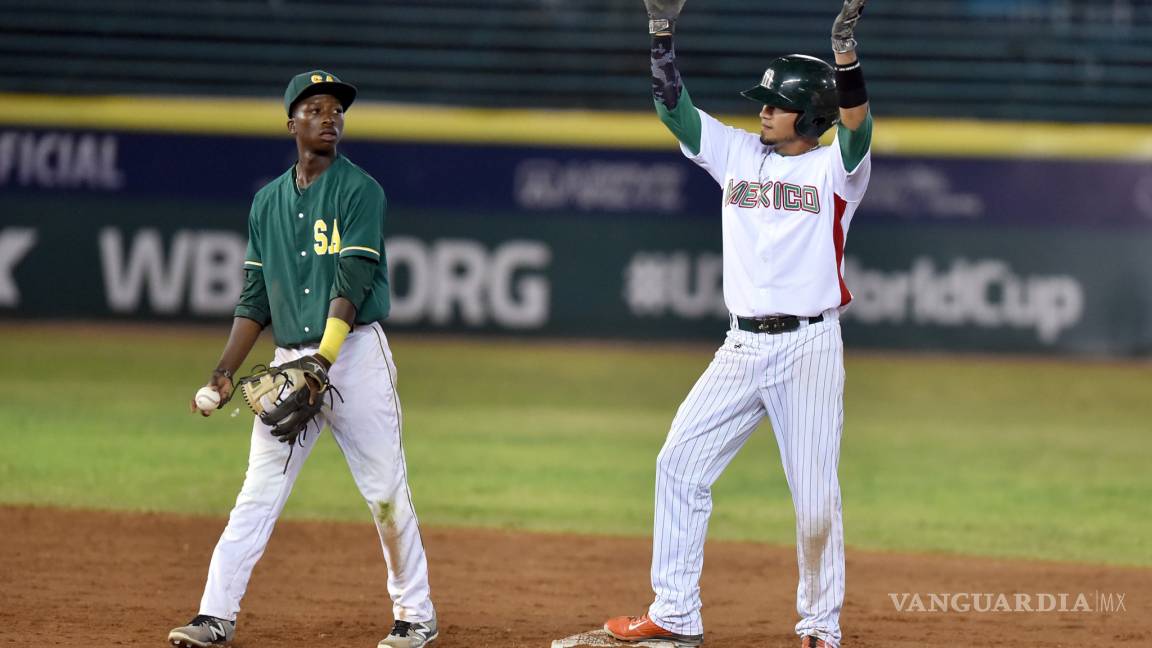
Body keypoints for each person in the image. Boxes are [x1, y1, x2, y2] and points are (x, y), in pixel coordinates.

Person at [604, 1, 872, 647]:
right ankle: (674, 614)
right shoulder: (735, 153)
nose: (762, 110)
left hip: (808, 344)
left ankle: (819, 630)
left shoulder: (836, 170)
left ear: (809, 114)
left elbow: (857, 129)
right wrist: (661, 35)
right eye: (763, 101)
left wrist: (846, 57)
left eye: (775, 104)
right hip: (740, 345)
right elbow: (674, 111)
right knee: (678, 464)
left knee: (814, 500)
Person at [167, 70, 438, 648]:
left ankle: (416, 615)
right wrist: (224, 370)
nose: (329, 116)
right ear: (291, 124)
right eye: (314, 108)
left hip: (355, 357)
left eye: (336, 108)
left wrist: (325, 360)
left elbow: (353, 279)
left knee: (385, 490)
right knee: (259, 490)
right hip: (291, 362)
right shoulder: (266, 202)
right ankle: (215, 613)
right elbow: (254, 297)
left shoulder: (360, 190)